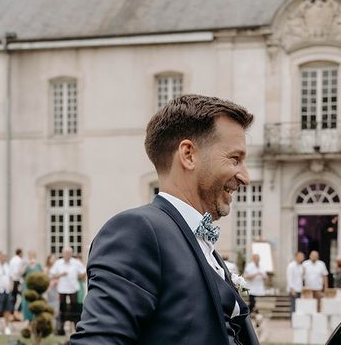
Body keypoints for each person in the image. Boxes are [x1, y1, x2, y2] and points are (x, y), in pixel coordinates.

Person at [72, 94, 259, 345]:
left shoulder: (202, 245)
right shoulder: (137, 232)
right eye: (234, 159)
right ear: (188, 154)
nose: (245, 177)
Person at [50, 247, 86, 335]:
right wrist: (60, 275)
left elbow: (84, 271)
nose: (67, 255)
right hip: (62, 289)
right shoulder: (58, 263)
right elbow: (52, 275)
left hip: (73, 289)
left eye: (69, 253)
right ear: (63, 254)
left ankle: (77, 329)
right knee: (62, 309)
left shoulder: (76, 263)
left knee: (75, 309)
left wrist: (80, 276)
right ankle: (61, 329)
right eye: (65, 253)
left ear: (71, 253)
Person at [21, 250, 43, 323]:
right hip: (27, 288)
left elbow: (43, 275)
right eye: (30, 256)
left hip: (36, 288)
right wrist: (27, 265)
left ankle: (35, 319)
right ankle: (28, 320)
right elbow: (20, 273)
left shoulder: (38, 265)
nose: (31, 257)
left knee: (36, 303)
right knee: (26, 304)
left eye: (33, 256)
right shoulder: (25, 265)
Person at [9, 248, 24, 316]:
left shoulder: (12, 260)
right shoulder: (19, 260)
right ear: (20, 253)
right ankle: (18, 310)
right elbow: (18, 271)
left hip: (12, 280)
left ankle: (12, 312)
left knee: (13, 297)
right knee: (23, 295)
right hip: (17, 281)